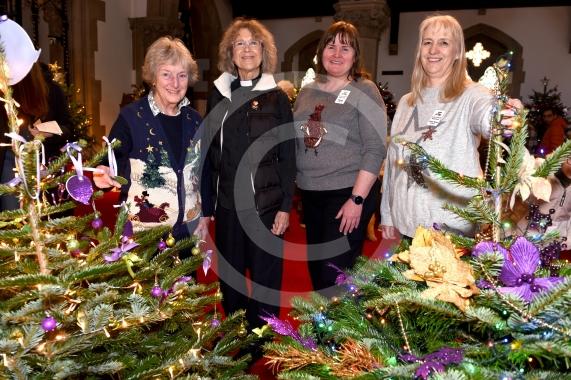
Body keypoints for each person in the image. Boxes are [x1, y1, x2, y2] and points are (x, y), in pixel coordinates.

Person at [380, 14, 521, 241]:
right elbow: (393, 159)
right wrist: (387, 213)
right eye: (427, 42)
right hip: (406, 225)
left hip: (450, 230)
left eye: (443, 42)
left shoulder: (471, 94)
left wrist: (502, 117)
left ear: (457, 52)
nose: (433, 50)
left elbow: (486, 115)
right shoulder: (407, 102)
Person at [201, 18, 295, 330]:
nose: (247, 49)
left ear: (263, 50)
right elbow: (209, 154)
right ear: (230, 51)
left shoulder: (277, 97)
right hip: (228, 205)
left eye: (253, 42)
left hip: (266, 207)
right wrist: (207, 205)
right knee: (232, 279)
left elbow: (288, 155)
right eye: (239, 43)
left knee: (266, 278)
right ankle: (238, 334)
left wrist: (285, 206)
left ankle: (262, 337)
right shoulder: (218, 94)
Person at [293, 21, 387, 294]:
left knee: (335, 275)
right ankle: (326, 335)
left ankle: (341, 336)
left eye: (345, 48)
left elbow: (375, 148)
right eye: (331, 46)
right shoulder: (309, 90)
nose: (336, 53)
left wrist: (357, 200)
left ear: (355, 55)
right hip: (311, 194)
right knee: (316, 271)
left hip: (346, 193)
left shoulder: (364, 90)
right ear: (321, 51)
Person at [93, 36, 208, 246]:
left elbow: (204, 171)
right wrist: (106, 172)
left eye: (182, 75)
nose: (175, 83)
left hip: (187, 232)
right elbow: (112, 158)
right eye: (166, 74)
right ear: (153, 77)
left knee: (187, 280)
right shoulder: (131, 117)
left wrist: (205, 215)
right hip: (144, 235)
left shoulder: (195, 120)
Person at [1, 61, 72, 210]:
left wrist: (49, 133)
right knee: (14, 215)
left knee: (45, 214)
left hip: (45, 162)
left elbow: (67, 127)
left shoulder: (51, 90)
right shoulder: (4, 90)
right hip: (10, 161)